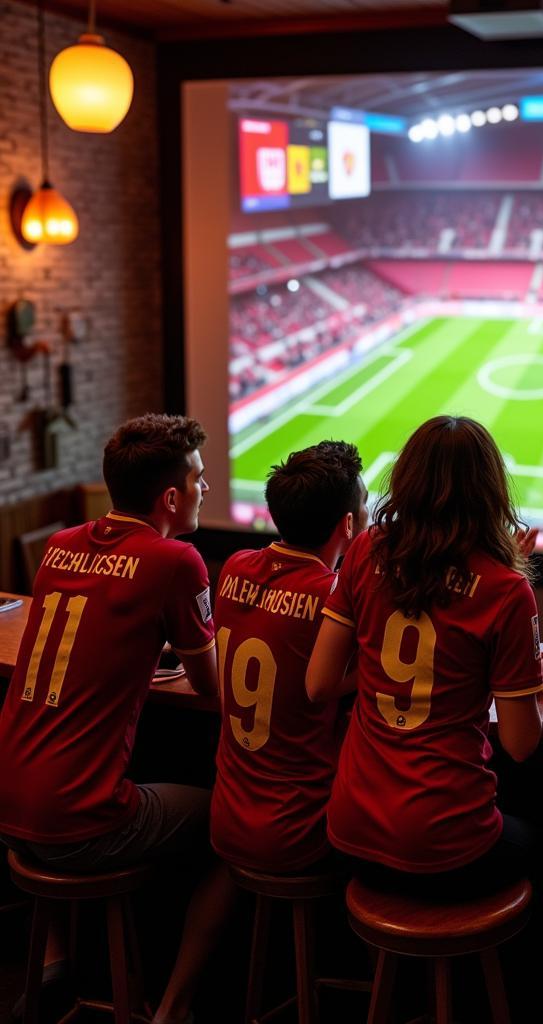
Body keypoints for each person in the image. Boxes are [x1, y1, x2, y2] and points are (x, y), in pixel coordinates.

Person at [0, 413, 230, 1024]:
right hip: (81, 822)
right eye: (201, 479)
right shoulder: (176, 562)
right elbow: (211, 688)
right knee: (233, 824)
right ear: (172, 496)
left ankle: (52, 963)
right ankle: (174, 1005)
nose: (207, 489)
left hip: (8, 808)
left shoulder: (59, 545)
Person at [306, 416, 543, 891]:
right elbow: (521, 745)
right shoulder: (506, 589)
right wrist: (516, 679)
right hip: (446, 842)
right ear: (491, 490)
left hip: (351, 830)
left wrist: (379, 667)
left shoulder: (364, 550)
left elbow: (318, 683)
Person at [210, 441, 368, 873]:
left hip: (226, 820)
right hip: (304, 827)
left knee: (225, 879)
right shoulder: (333, 597)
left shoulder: (234, 567)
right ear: (349, 524)